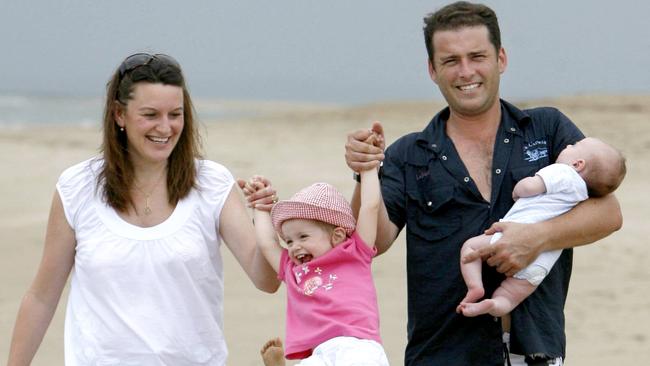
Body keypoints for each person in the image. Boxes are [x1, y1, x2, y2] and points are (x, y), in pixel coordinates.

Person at [344, 2, 623, 365]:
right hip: (441, 354)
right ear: (432, 69)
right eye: (450, 60)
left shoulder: (548, 129)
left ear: (500, 59)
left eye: (477, 56)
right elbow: (370, 243)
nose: (466, 71)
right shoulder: (408, 154)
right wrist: (365, 173)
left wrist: (537, 238)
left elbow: (608, 212)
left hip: (535, 350)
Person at [7, 53, 279, 366]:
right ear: (119, 115)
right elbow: (42, 297)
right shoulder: (76, 187)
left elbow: (267, 280)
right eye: (150, 114)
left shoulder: (213, 184)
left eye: (175, 114)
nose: (165, 127)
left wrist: (264, 216)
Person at [240, 143, 390, 366]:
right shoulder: (294, 271)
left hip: (357, 346)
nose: (293, 247)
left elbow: (369, 206)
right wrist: (260, 207)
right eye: (289, 241)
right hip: (317, 354)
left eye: (303, 237)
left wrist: (369, 168)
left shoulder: (355, 252)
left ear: (338, 235)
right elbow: (267, 243)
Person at [458, 137, 626, 317]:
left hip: (513, 237)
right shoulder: (582, 195)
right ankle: (497, 305)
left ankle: (475, 286)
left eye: (575, 146)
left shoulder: (562, 172)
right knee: (510, 294)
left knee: (470, 246)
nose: (568, 145)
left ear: (578, 164)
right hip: (543, 260)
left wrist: (518, 190)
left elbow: (530, 186)